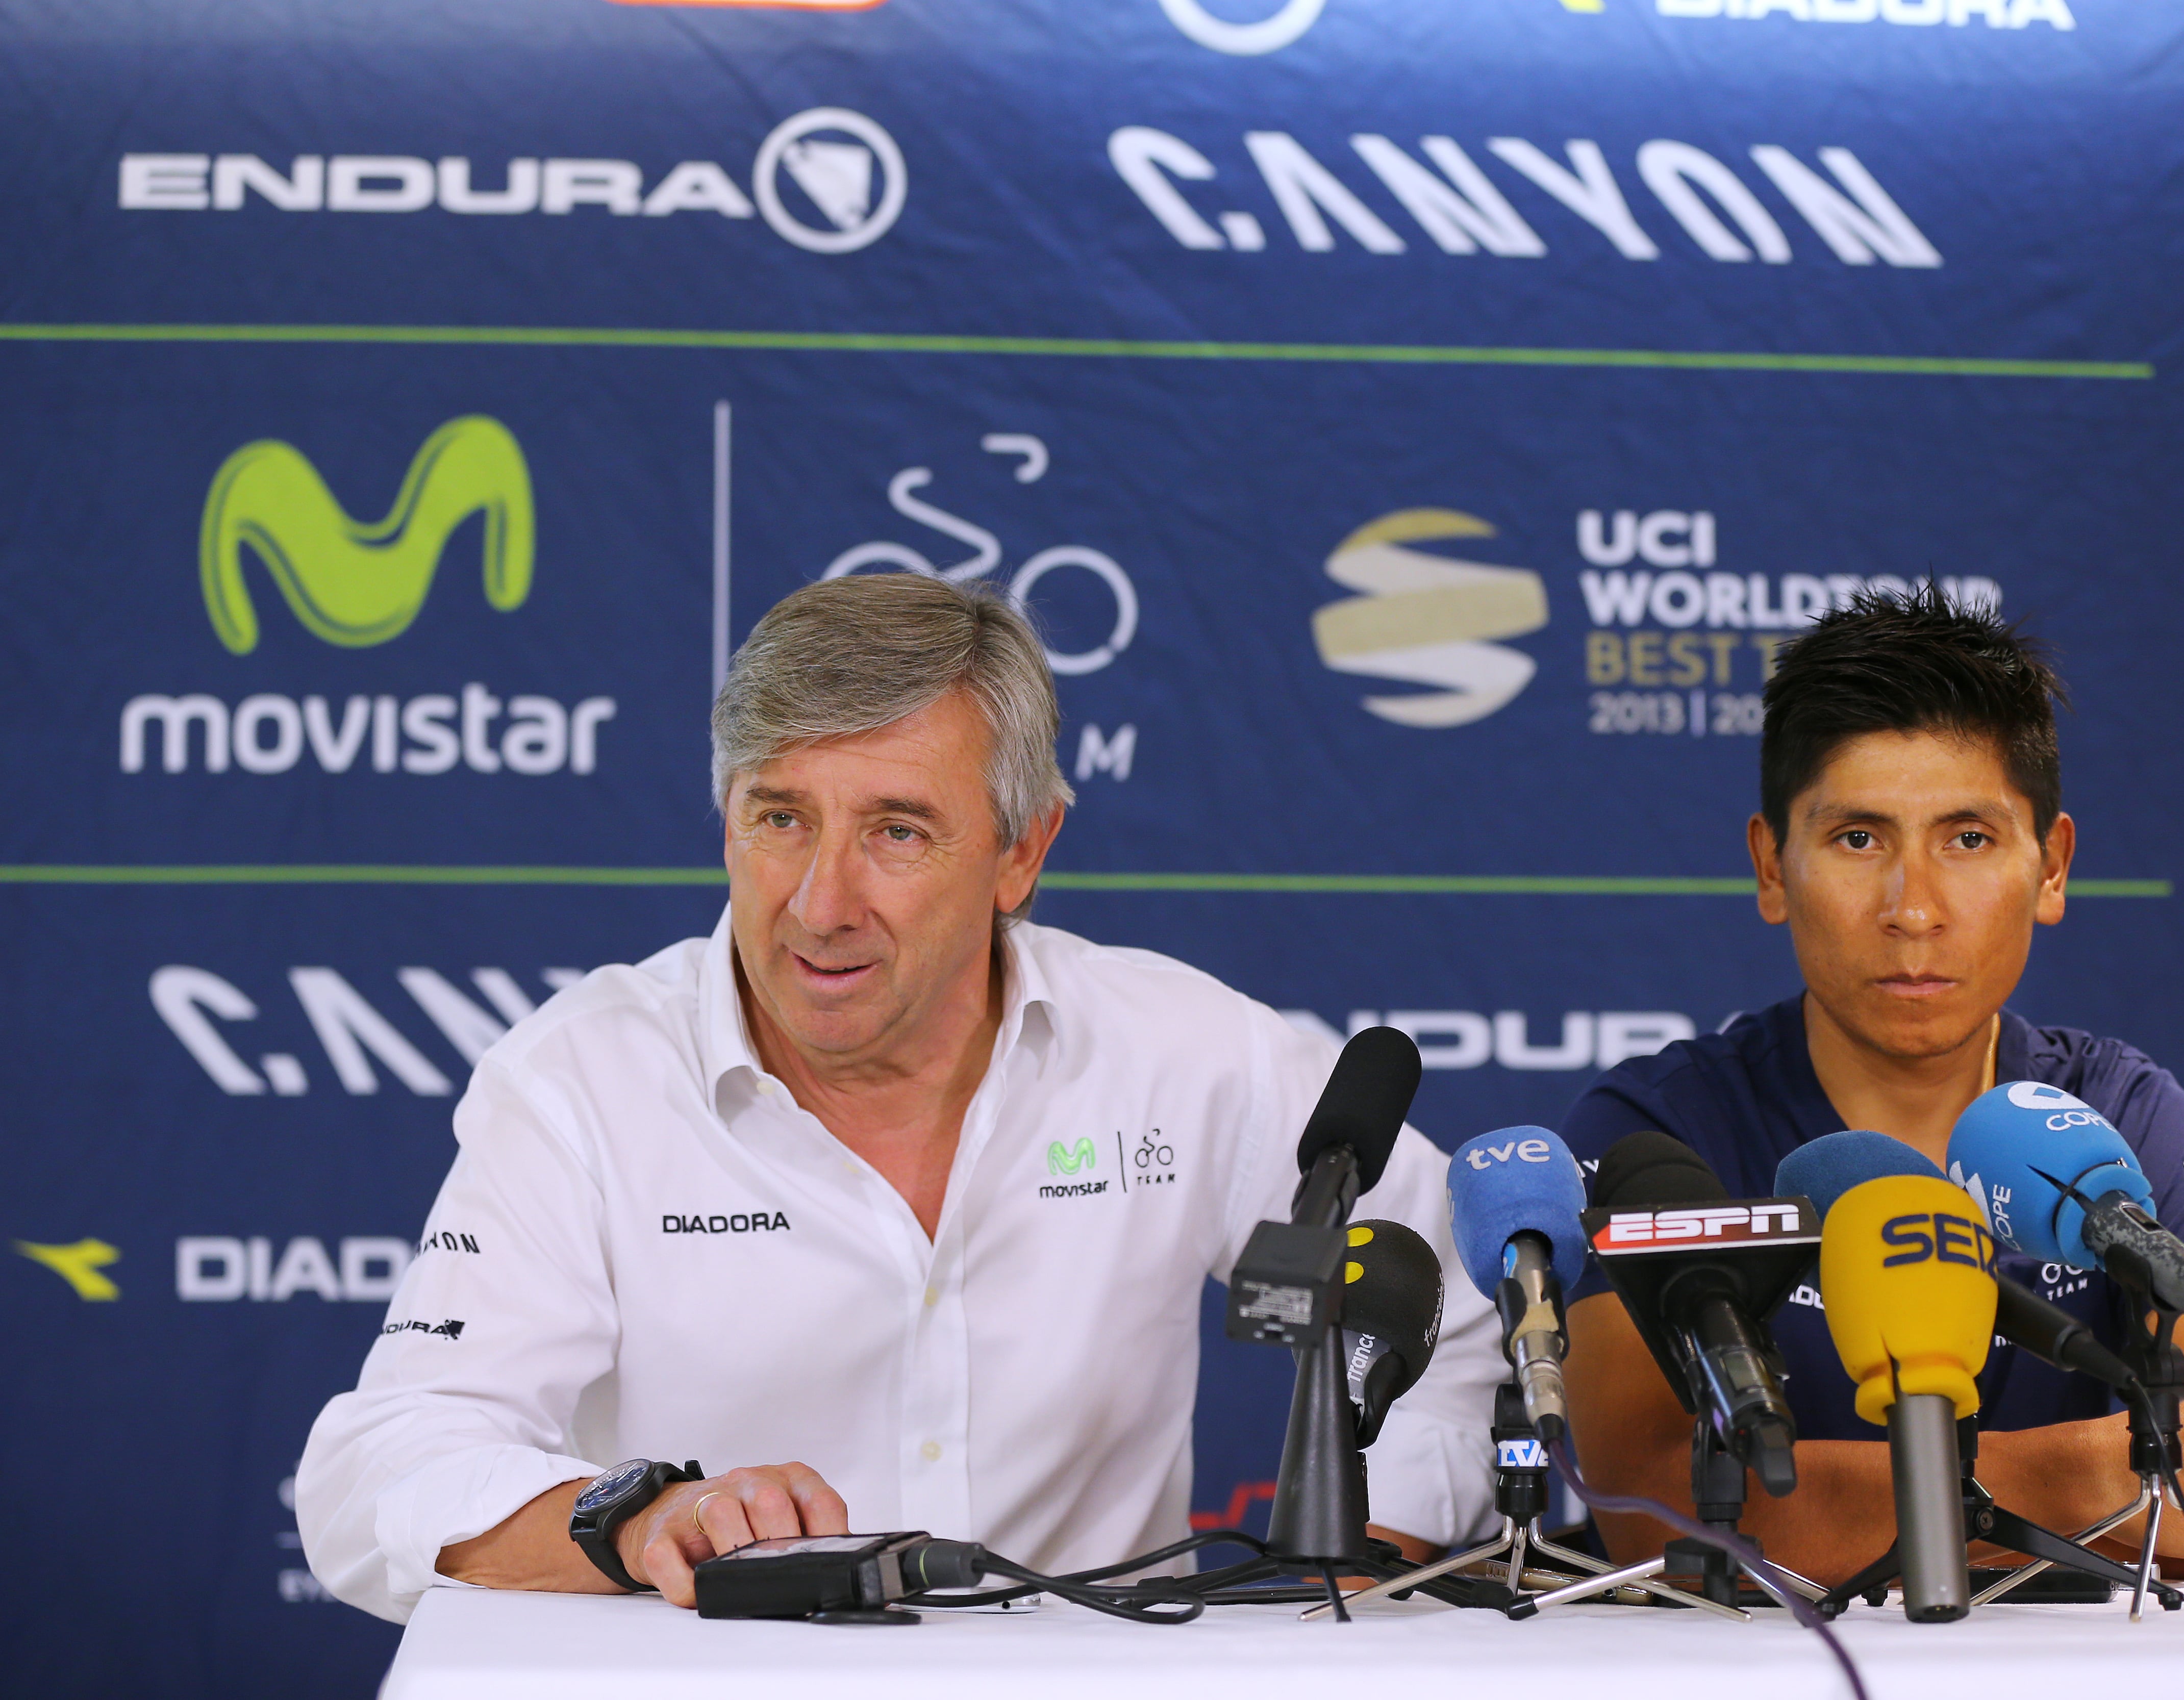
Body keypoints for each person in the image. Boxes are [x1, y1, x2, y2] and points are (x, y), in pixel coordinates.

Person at [297, 574, 1500, 1622]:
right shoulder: (583, 1081)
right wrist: (632, 1515)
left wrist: (1370, 1544)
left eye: (897, 829)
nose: (822, 900)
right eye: (782, 818)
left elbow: (1453, 1286)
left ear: (1023, 851)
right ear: (726, 820)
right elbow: (378, 1470)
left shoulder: (1178, 1050)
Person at [1559, 588, 2184, 1584]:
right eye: (1857, 838)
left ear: (2050, 867)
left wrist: (1836, 1503)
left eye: (1967, 838)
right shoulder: (1660, 1133)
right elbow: (1654, 1509)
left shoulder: (2126, 1119)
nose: (1913, 908)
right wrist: (2067, 1478)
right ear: (1771, 866)